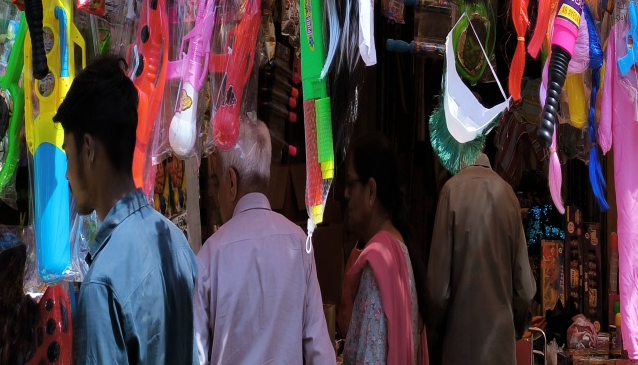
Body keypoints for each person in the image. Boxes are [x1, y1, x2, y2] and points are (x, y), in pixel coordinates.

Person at [54, 55, 197, 364]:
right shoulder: (178, 243)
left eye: (68, 155)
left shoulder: (102, 283)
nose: (66, 175)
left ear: (88, 150)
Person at [194, 116, 335, 365]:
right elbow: (321, 354)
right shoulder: (299, 243)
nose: (216, 195)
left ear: (231, 182)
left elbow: (196, 356)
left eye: (218, 182)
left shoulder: (210, 255)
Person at [427, 150, 536, 365]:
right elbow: (525, 290)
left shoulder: (451, 193)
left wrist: (436, 333)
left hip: (460, 349)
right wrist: (514, 327)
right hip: (501, 350)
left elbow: (438, 293)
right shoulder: (509, 196)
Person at [339, 133, 429, 365]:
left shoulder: (378, 262)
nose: (346, 194)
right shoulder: (400, 248)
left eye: (351, 184)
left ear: (371, 190)